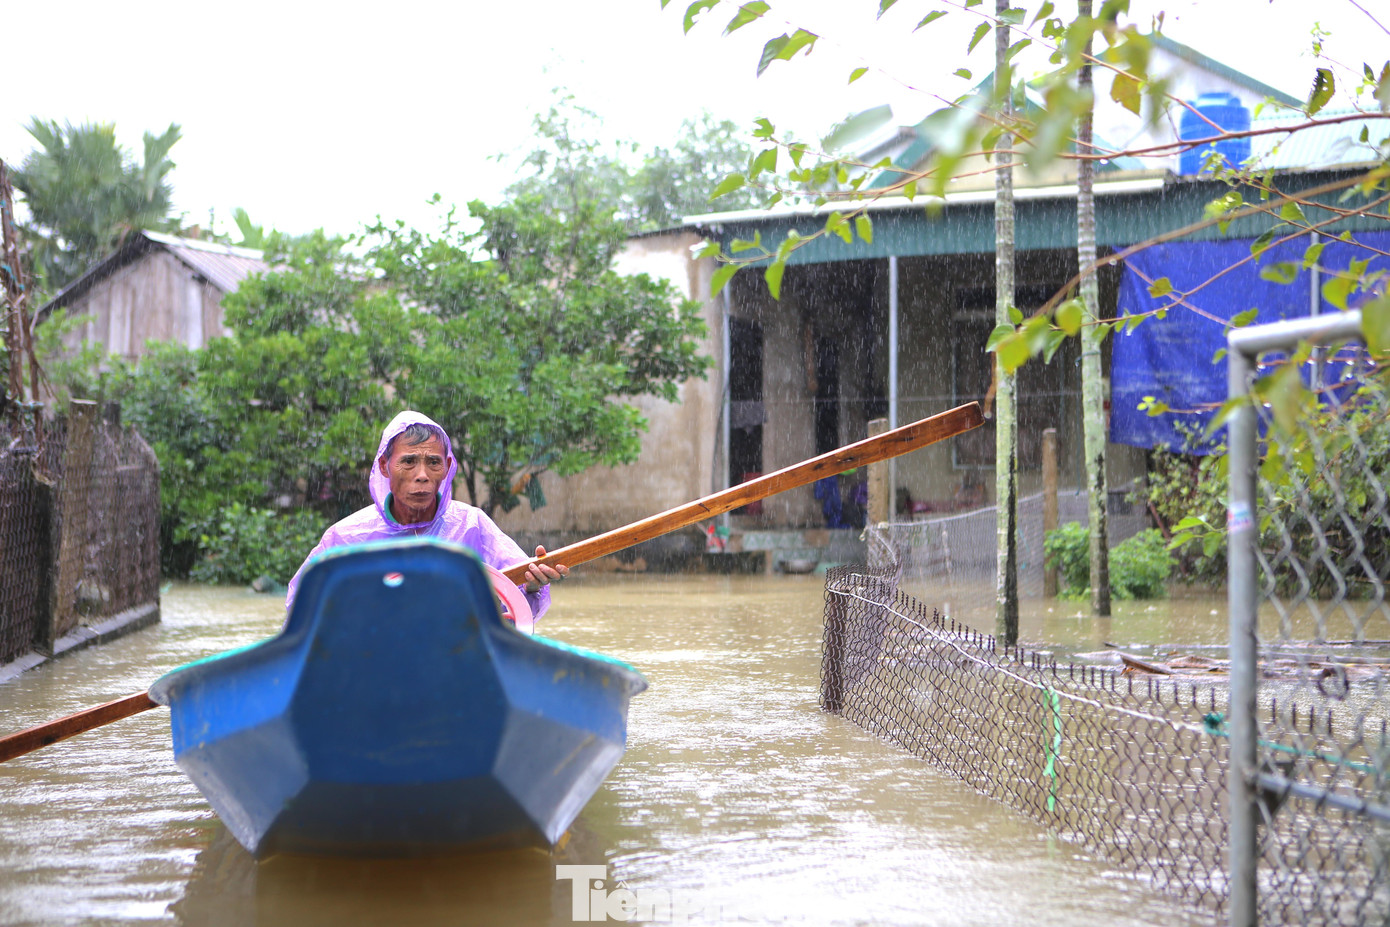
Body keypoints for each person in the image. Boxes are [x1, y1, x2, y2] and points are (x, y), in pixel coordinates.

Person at [285, 410, 566, 618]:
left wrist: (531, 587)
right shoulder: (344, 538)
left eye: (433, 463)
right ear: (384, 466)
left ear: (446, 467)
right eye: (408, 462)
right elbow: (302, 610)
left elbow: (516, 611)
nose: (422, 475)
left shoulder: (472, 526)